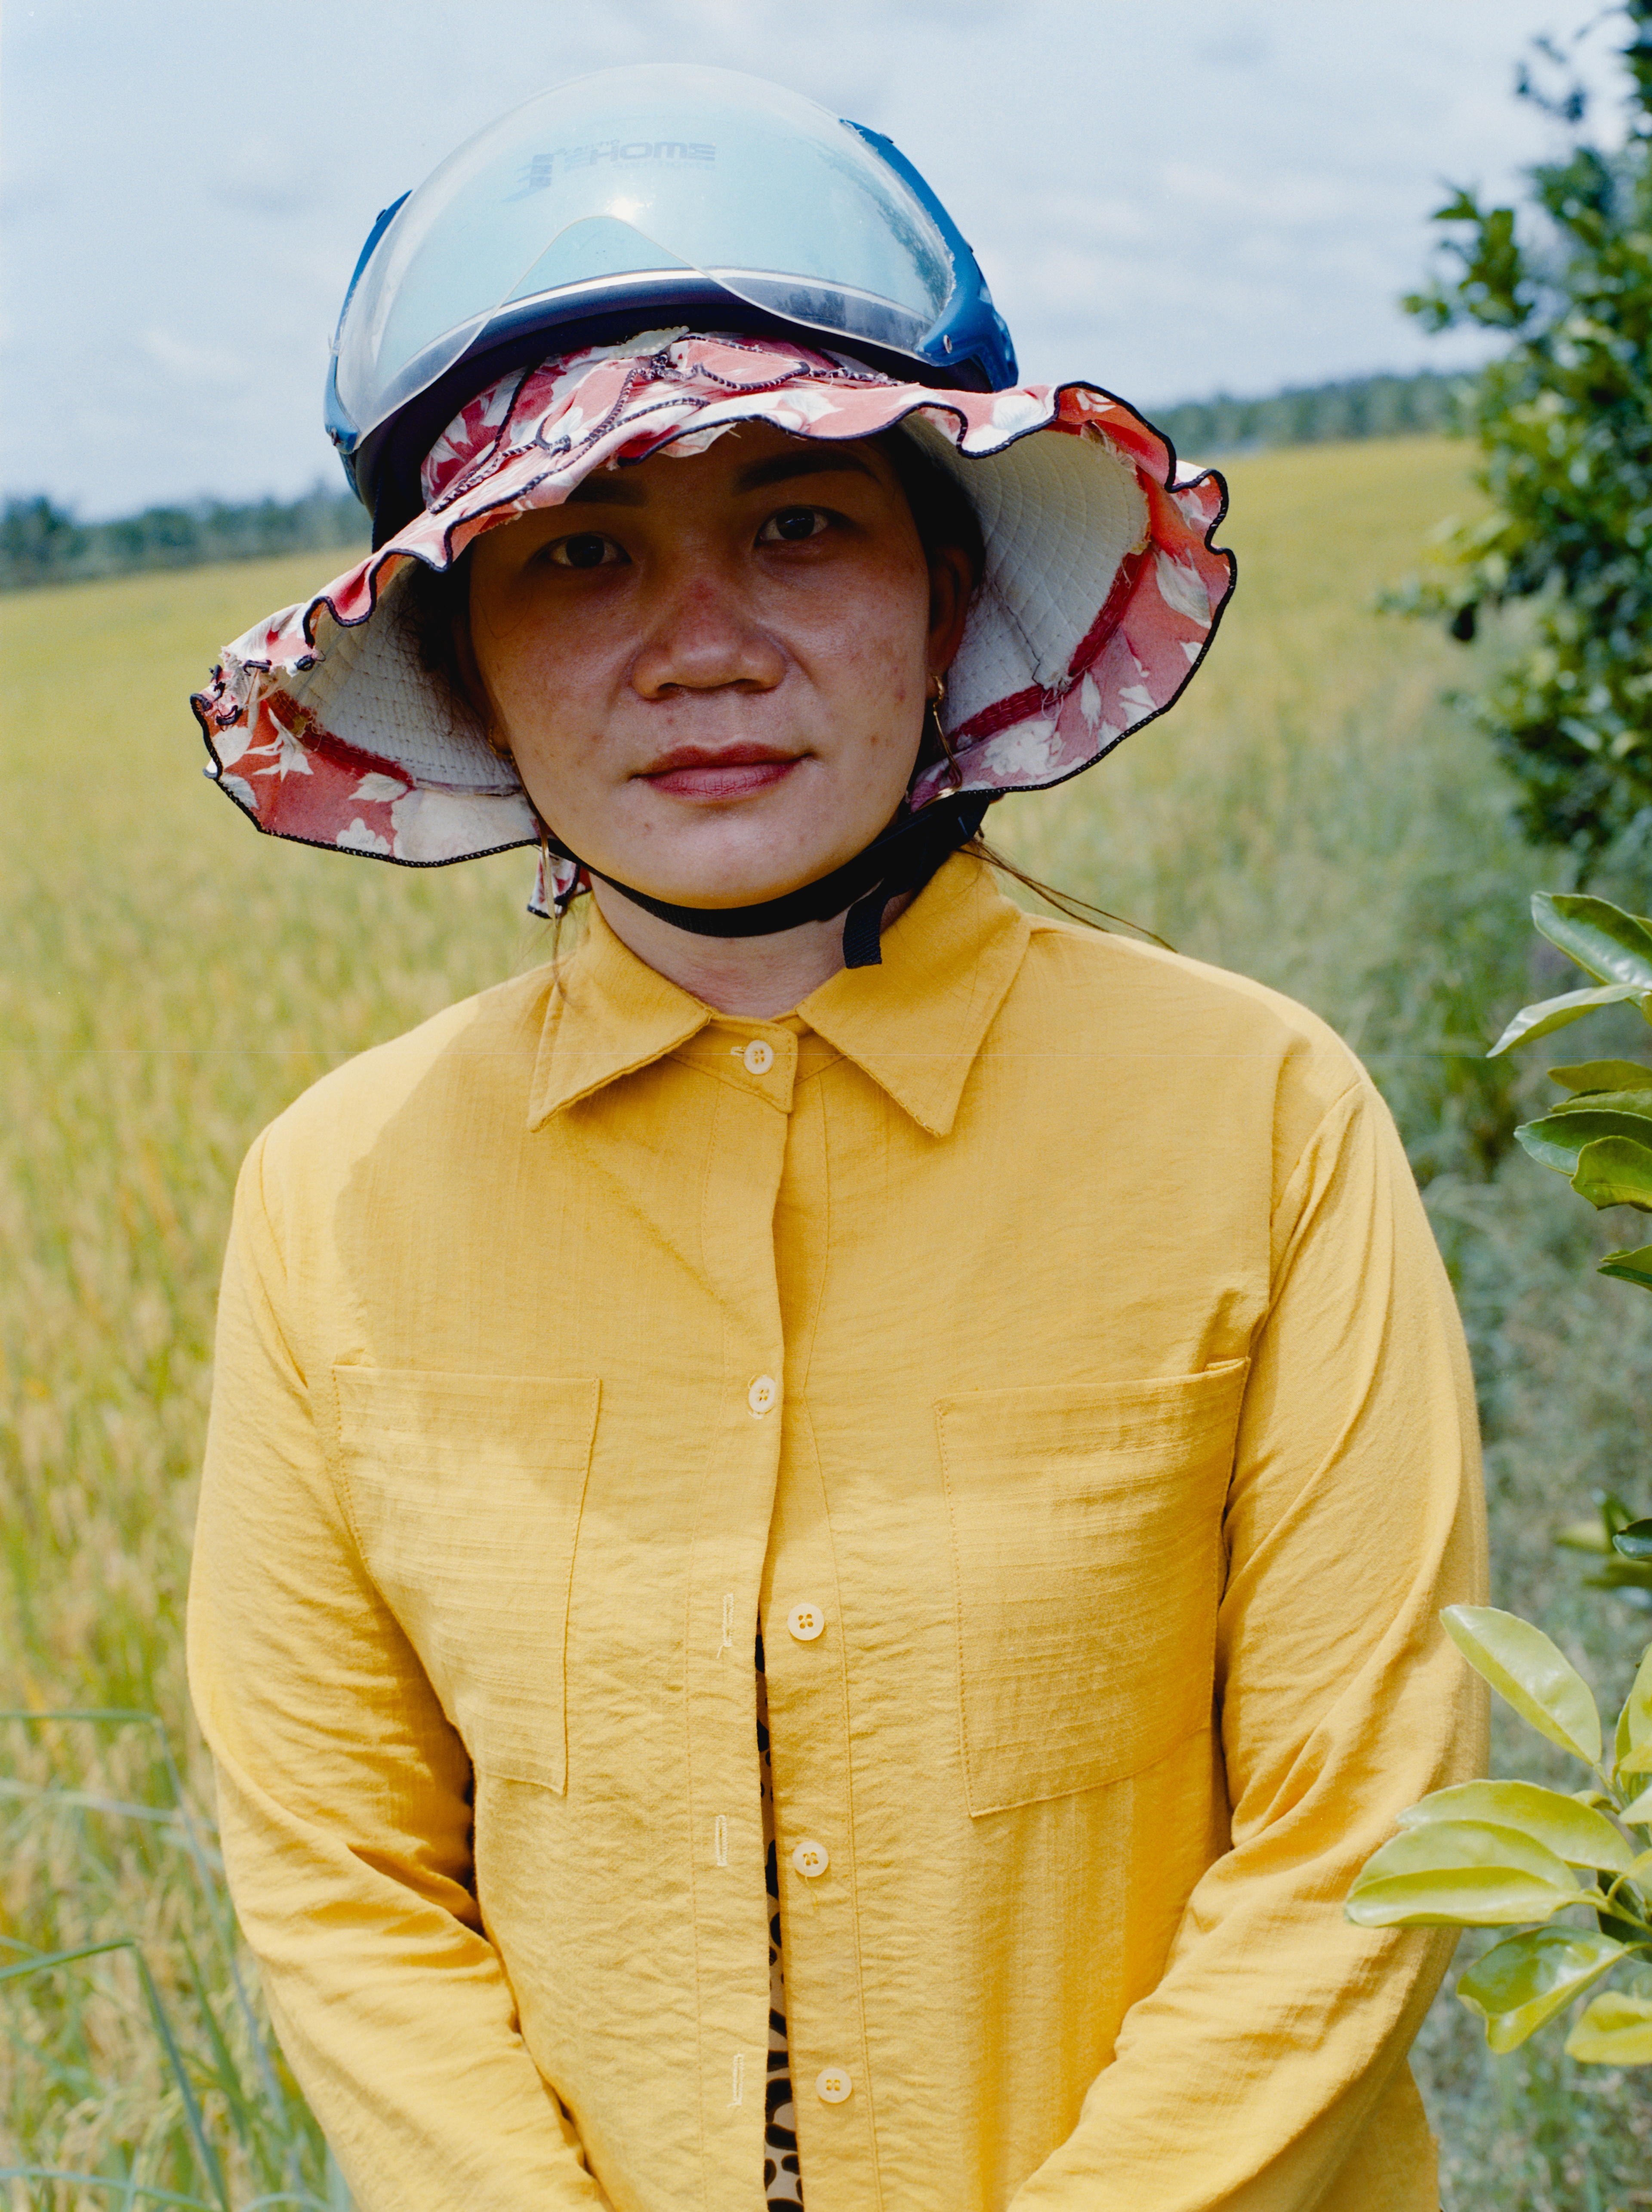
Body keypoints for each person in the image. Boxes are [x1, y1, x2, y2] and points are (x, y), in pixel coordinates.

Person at [186, 63, 1487, 2212]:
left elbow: (1362, 1833)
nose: (704, 649)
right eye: (582, 554)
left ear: (942, 585)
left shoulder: (1260, 1118)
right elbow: (343, 1880)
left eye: (800, 519)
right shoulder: (336, 1204)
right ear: (468, 658)